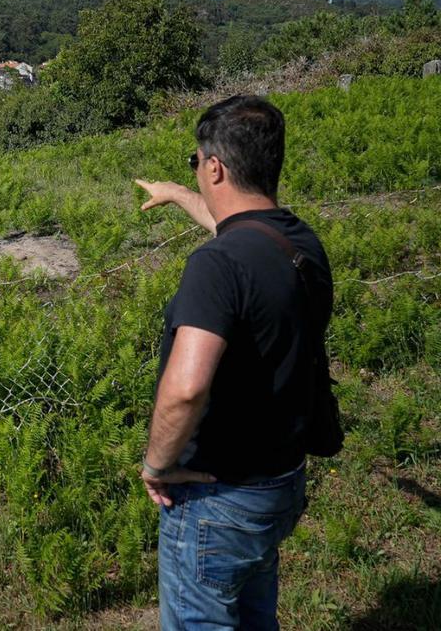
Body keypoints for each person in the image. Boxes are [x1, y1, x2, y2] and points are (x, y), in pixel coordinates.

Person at [133, 94, 333, 630]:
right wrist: (177, 194)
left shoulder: (216, 266)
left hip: (217, 497)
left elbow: (186, 389)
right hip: (280, 481)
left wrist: (157, 465)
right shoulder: (296, 242)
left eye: (194, 163)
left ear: (215, 167)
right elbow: (235, 225)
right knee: (253, 614)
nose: (195, 172)